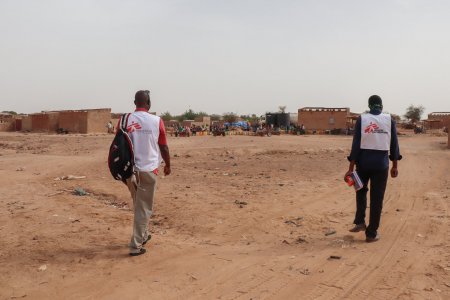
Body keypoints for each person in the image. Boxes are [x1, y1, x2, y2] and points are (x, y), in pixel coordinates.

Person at [345, 95, 402, 242]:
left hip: (362, 165)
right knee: (377, 199)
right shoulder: (389, 120)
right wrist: (395, 166)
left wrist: (350, 168)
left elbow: (355, 145)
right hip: (381, 166)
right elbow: (394, 144)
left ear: (369, 105)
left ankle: (359, 222)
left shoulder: (362, 119)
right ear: (381, 105)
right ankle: (371, 234)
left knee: (359, 190)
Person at [124, 90, 171, 256]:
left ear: (134, 102)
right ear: (148, 102)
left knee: (139, 204)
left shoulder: (125, 119)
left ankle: (143, 235)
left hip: (129, 171)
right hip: (148, 170)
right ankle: (135, 245)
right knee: (143, 208)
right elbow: (163, 146)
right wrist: (168, 164)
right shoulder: (157, 121)